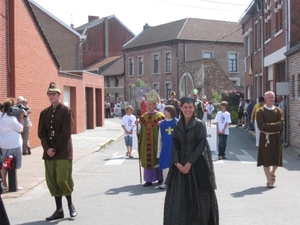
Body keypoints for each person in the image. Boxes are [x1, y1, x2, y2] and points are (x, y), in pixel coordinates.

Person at [163, 97, 219, 225]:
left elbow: (201, 146)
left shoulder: (199, 124)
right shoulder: (177, 124)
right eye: (185, 107)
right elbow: (175, 145)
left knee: (198, 201)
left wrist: (189, 164)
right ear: (181, 108)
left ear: (194, 108)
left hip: (196, 165)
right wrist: (177, 163)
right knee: (178, 201)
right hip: (179, 167)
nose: (188, 109)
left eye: (190, 107)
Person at [38, 82, 77, 221]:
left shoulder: (66, 111)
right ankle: (59, 209)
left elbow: (66, 133)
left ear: (59, 95)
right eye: (49, 94)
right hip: (49, 153)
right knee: (52, 181)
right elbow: (41, 133)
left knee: (63, 179)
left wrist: (55, 148)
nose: (51, 96)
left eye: (53, 94)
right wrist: (47, 148)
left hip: (63, 152)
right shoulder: (44, 113)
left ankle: (70, 205)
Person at [136, 89, 165, 187]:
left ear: (155, 105)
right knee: (148, 160)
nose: (148, 106)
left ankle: (160, 178)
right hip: (146, 142)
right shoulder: (143, 117)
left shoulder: (161, 116)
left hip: (156, 142)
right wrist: (137, 125)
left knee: (157, 159)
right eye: (147, 104)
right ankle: (149, 180)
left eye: (150, 104)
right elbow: (140, 130)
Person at [256, 91, 284, 188]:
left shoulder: (279, 111)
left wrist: (269, 126)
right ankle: (269, 180)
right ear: (265, 99)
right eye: (270, 97)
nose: (272, 99)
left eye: (273, 97)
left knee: (277, 159)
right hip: (265, 138)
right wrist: (274, 126)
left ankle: (273, 172)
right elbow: (261, 125)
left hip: (276, 137)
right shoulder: (260, 111)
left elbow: (281, 124)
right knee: (266, 159)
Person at [0, 98, 24, 191]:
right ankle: (13, 184)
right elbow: (21, 129)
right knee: (13, 165)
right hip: (14, 144)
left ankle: (4, 183)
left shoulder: (1, 116)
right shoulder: (12, 119)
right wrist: (21, 117)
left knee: (5, 164)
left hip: (3, 145)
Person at [157, 105, 178, 189]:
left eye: (165, 111)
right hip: (165, 147)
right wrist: (159, 150)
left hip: (174, 147)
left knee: (175, 165)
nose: (164, 112)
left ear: (170, 112)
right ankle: (166, 182)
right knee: (165, 165)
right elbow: (160, 137)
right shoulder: (162, 124)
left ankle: (175, 182)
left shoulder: (177, 122)